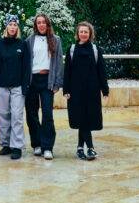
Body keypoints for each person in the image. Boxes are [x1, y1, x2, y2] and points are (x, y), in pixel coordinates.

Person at [63, 21, 110, 160]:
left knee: (87, 119)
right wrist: (66, 89)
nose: (83, 34)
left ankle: (80, 148)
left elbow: (101, 71)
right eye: (81, 31)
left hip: (92, 91)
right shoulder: (71, 49)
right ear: (77, 34)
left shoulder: (96, 50)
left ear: (90, 34)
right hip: (76, 91)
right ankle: (89, 148)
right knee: (81, 119)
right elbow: (67, 72)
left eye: (86, 32)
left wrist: (105, 90)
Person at [0, 14, 30, 161]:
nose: (13, 27)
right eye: (10, 24)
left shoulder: (22, 44)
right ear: (6, 26)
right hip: (1, 85)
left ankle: (17, 146)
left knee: (17, 116)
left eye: (15, 25)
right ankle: (5, 144)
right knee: (3, 115)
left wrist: (25, 86)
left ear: (17, 27)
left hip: (18, 86)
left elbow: (26, 67)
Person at [25, 13, 63, 161]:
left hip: (47, 80)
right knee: (31, 113)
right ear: (36, 25)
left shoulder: (56, 40)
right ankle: (37, 144)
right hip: (32, 80)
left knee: (47, 114)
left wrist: (57, 83)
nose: (41, 25)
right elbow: (26, 62)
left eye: (43, 22)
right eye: (38, 22)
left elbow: (59, 62)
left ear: (48, 25)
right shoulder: (30, 40)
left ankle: (48, 147)